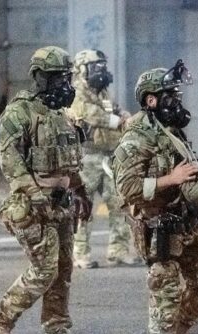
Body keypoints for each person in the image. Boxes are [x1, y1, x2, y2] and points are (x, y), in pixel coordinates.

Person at [0, 46, 92, 334]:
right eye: (56, 77)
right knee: (44, 270)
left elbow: (68, 163)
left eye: (66, 77)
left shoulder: (61, 116)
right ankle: (0, 320)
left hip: (62, 206)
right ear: (40, 77)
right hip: (32, 207)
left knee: (62, 272)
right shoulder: (19, 113)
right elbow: (11, 163)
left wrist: (81, 191)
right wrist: (36, 197)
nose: (63, 84)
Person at [111, 61, 198, 334]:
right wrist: (170, 179)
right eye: (170, 96)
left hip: (185, 223)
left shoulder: (171, 132)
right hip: (158, 229)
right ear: (151, 100)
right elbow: (126, 187)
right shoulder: (137, 138)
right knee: (166, 299)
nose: (177, 102)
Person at [69, 49, 138, 269]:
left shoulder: (103, 92)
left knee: (119, 202)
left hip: (109, 156)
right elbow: (91, 115)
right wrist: (119, 122)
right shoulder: (76, 93)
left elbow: (113, 110)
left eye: (102, 66)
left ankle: (119, 251)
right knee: (83, 206)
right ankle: (80, 254)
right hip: (87, 157)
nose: (101, 71)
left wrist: (123, 115)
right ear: (82, 70)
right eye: (95, 67)